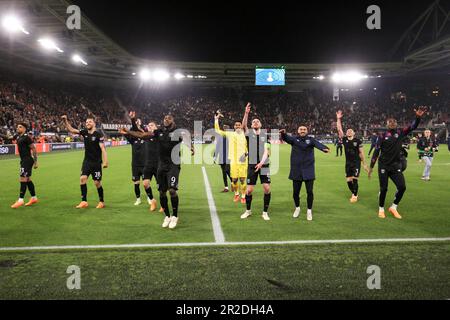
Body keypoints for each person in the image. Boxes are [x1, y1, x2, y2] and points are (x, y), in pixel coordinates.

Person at [120, 114, 193, 229]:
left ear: (173, 121)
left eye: (169, 118)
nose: (166, 119)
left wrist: (191, 147)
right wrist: (129, 132)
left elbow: (186, 137)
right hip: (161, 165)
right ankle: (167, 216)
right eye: (164, 118)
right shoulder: (158, 132)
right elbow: (142, 134)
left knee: (172, 190)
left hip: (174, 164)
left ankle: (174, 216)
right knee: (162, 192)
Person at [368, 106, 427, 219]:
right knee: (384, 188)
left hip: (395, 166)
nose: (392, 123)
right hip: (383, 165)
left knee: (402, 187)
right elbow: (376, 152)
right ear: (387, 124)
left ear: (396, 124)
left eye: (394, 122)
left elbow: (413, 126)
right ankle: (381, 209)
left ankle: (393, 207)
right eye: (390, 122)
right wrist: (371, 167)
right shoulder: (382, 136)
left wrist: (418, 117)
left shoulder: (400, 132)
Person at [280, 126, 330, 221]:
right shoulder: (294, 139)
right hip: (296, 170)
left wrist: (324, 148)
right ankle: (297, 208)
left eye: (304, 129)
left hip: (308, 169)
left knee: (310, 192)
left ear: (307, 131)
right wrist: (283, 133)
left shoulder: (311, 140)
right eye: (301, 129)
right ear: (298, 131)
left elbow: (317, 144)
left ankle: (309, 210)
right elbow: (286, 138)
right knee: (295, 192)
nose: (302, 131)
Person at [62, 115, 109, 209]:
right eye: (86, 122)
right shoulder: (84, 132)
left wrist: (105, 161)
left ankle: (101, 202)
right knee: (82, 179)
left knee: (97, 183)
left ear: (94, 123)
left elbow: (103, 148)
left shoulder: (98, 134)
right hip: (87, 161)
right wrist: (65, 121)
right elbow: (71, 130)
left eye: (90, 122)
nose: (87, 123)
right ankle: (84, 201)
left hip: (96, 163)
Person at [241, 103, 272, 221]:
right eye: (253, 122)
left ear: (261, 125)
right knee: (249, 190)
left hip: (264, 164)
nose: (255, 122)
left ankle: (265, 212)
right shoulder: (248, 134)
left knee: (267, 188)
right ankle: (248, 210)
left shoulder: (265, 136)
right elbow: (244, 126)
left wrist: (261, 163)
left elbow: (266, 151)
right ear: (251, 125)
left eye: (257, 121)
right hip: (252, 165)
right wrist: (246, 113)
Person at [214, 109, 248, 204]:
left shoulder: (244, 134)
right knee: (234, 179)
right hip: (233, 161)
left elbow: (248, 147)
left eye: (239, 125)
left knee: (242, 179)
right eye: (236, 125)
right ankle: (237, 194)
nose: (237, 126)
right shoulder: (230, 134)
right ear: (234, 127)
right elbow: (218, 130)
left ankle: (243, 196)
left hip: (243, 161)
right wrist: (216, 119)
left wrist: (245, 155)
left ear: (241, 126)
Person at [336, 111, 369, 203]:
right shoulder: (344, 139)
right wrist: (338, 118)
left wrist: (364, 164)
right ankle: (355, 193)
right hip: (348, 163)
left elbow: (361, 153)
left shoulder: (358, 141)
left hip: (356, 163)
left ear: (354, 133)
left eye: (351, 130)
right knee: (348, 181)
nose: (349, 131)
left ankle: (354, 195)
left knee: (355, 179)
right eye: (348, 130)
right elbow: (339, 129)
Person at [10, 123, 39, 209]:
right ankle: (34, 198)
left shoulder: (26, 137)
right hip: (23, 160)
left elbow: (33, 148)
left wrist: (36, 161)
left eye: (20, 127)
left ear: (24, 129)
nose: (18, 128)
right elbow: (9, 138)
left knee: (22, 178)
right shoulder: (19, 137)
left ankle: (20, 200)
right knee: (28, 179)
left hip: (27, 160)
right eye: (17, 126)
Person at [213, 125, 231, 193]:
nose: (225, 130)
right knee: (224, 172)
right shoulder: (220, 137)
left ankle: (233, 183)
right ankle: (226, 187)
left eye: (227, 129)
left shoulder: (231, 137)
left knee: (227, 170)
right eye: (224, 129)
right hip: (221, 157)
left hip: (229, 157)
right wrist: (215, 157)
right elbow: (217, 147)